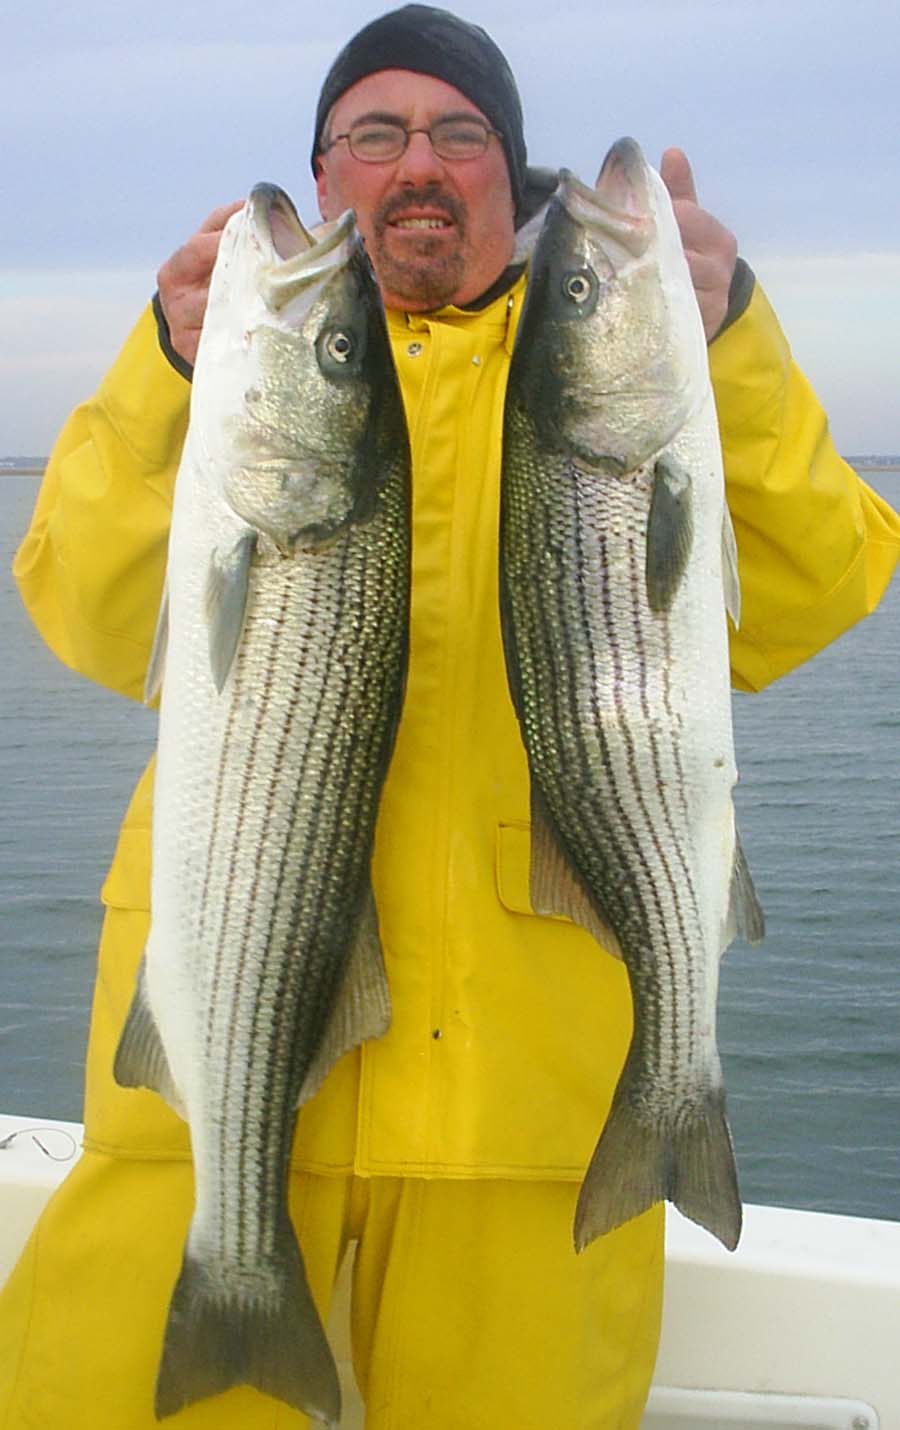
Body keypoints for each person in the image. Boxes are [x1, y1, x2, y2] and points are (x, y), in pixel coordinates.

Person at [3, 6, 899, 1428]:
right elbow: (94, 616)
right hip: (225, 1076)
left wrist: (723, 339)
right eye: (373, 132)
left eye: (460, 134)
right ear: (322, 167)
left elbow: (818, 586)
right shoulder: (239, 385)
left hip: (531, 1134)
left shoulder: (602, 399)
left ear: (509, 176)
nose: (417, 160)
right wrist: (170, 368)